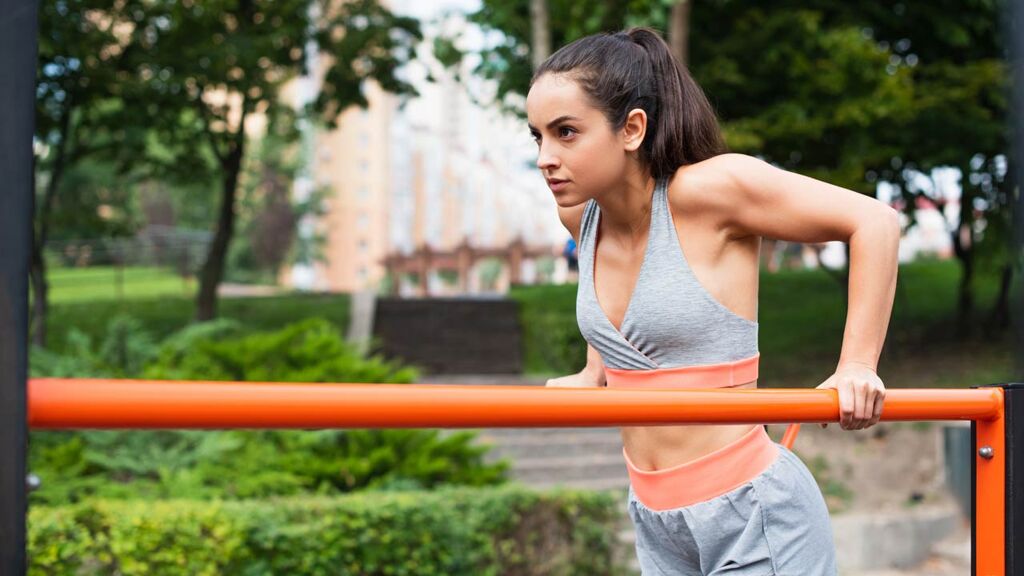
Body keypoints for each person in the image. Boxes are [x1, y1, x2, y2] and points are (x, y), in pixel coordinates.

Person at [529, 27, 899, 575]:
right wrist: (593, 374)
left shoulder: (709, 192)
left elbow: (874, 221)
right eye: (536, 136)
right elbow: (619, 318)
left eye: (566, 133)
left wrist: (857, 365)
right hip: (657, 522)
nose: (545, 157)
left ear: (631, 129)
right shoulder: (581, 217)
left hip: (752, 512)